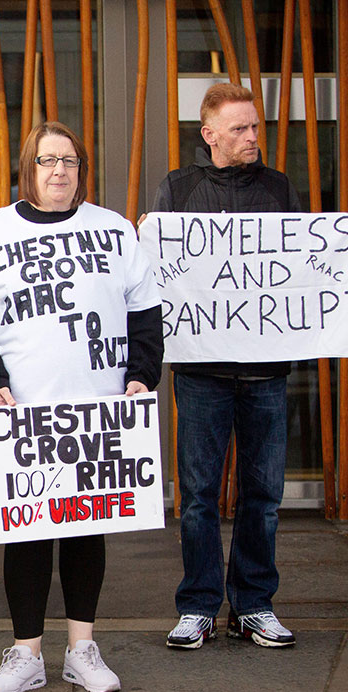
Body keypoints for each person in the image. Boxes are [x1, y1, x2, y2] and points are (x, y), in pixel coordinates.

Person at [0, 122, 163, 692]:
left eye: (69, 161)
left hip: (98, 415)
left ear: (81, 169)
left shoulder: (115, 232)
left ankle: (81, 649)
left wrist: (143, 376)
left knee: (85, 532)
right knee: (25, 537)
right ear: (30, 169)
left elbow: (146, 316)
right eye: (47, 161)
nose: (59, 171)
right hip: (24, 415)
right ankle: (25, 655)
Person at [152, 83, 302, 650]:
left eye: (255, 127)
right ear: (209, 134)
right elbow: (156, 277)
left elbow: (301, 270)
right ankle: (197, 606)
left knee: (263, 497)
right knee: (198, 497)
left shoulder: (278, 188)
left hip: (266, 372)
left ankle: (254, 604)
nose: (252, 138)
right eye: (239, 129)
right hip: (202, 374)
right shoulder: (178, 189)